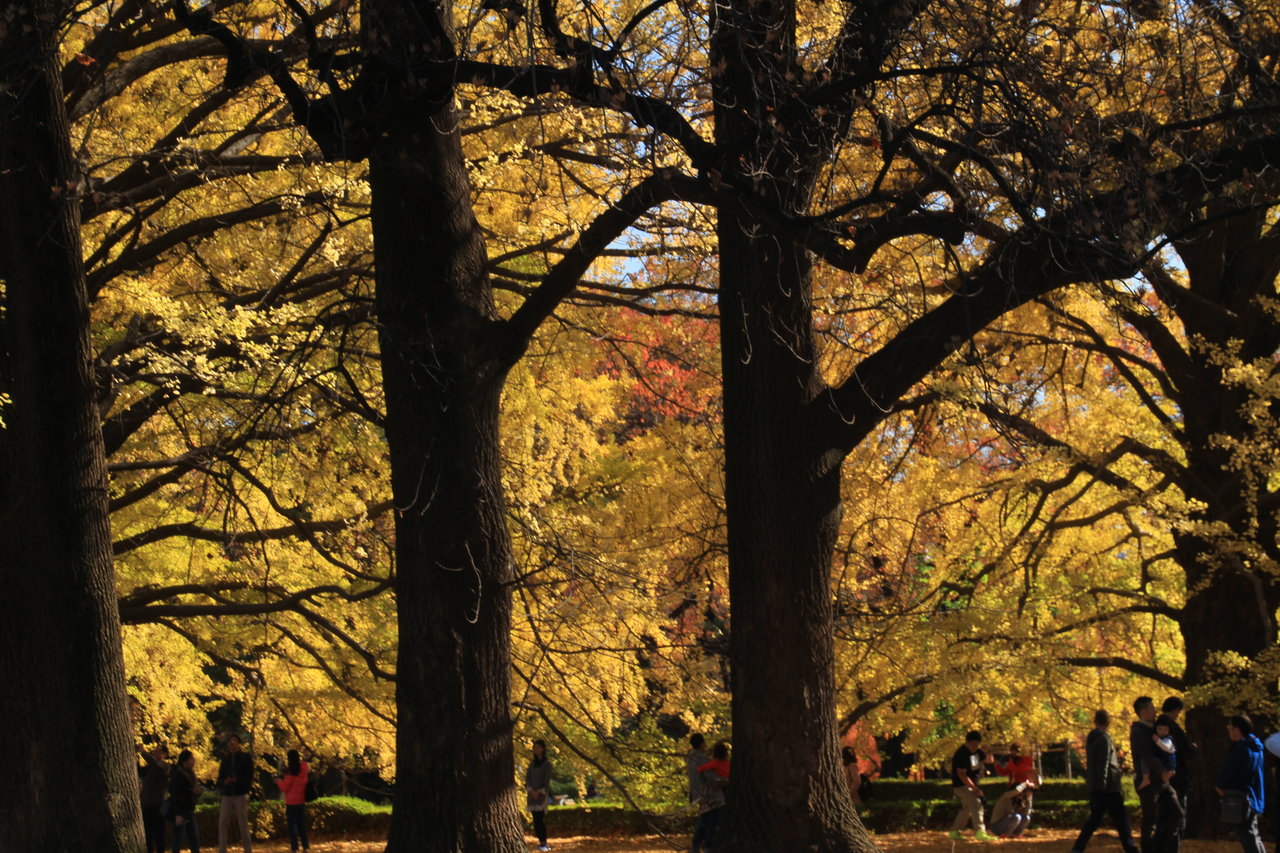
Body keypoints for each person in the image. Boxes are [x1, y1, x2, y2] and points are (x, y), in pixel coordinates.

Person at [1071, 709, 1139, 853]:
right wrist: (1102, 785)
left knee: (1094, 820)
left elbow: (1095, 764)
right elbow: (1104, 763)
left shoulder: (1092, 738)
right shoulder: (1104, 739)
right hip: (1108, 787)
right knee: (1120, 819)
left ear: (1095, 721)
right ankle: (1130, 848)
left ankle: (1078, 847)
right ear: (1109, 722)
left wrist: (1095, 786)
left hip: (1097, 786)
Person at [1216, 714, 1266, 853]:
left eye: (1230, 728)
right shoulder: (1256, 748)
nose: (1229, 730)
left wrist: (1220, 785)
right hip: (1253, 796)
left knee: (1247, 835)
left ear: (1237, 730)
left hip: (1240, 797)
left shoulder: (1241, 749)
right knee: (1253, 834)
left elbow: (1229, 771)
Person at [948, 730, 997, 842]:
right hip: (962, 786)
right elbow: (962, 774)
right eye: (972, 744)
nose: (974, 747)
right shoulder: (962, 754)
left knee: (967, 809)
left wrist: (988, 750)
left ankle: (954, 831)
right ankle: (980, 832)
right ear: (967, 742)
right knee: (976, 805)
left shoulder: (977, 752)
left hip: (971, 785)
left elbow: (989, 760)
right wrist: (974, 788)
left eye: (977, 744)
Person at [1162, 697, 1197, 837]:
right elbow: (1185, 751)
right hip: (1178, 776)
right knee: (1178, 817)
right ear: (1176, 710)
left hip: (1164, 777)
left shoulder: (1157, 726)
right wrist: (1193, 748)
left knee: (1166, 816)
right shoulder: (1173, 728)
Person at [1130, 696, 1160, 853]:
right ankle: (1148, 848)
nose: (1155, 711)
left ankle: (1155, 846)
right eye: (1151, 709)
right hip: (1147, 780)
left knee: (1173, 813)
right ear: (1142, 713)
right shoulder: (1139, 732)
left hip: (1157, 778)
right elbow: (1146, 755)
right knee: (1150, 816)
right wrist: (1163, 770)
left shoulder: (1153, 729)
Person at [217, 734, 254, 853]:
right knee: (222, 822)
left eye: (234, 740)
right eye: (230, 740)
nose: (231, 743)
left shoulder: (245, 757)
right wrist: (225, 782)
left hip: (240, 794)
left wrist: (237, 780)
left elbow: (249, 776)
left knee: (243, 823)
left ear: (239, 743)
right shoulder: (225, 758)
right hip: (227, 794)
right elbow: (220, 777)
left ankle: (247, 849)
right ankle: (222, 849)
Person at [692, 741, 730, 853]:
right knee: (713, 823)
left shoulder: (711, 763)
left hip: (705, 796)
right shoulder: (727, 763)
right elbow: (714, 778)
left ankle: (697, 845)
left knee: (705, 822)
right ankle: (707, 847)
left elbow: (702, 770)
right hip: (715, 798)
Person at [274, 749, 310, 853]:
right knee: (302, 825)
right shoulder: (303, 770)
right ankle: (305, 847)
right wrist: (304, 757)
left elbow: (284, 788)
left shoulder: (290, 773)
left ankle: (294, 848)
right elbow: (305, 764)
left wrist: (278, 781)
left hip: (291, 803)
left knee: (292, 827)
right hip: (301, 801)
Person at [139, 745, 171, 853]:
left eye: (159, 752)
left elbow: (155, 765)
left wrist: (143, 752)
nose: (155, 753)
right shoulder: (150, 767)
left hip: (158, 805)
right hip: (147, 804)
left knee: (159, 835)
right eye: (154, 751)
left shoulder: (164, 766)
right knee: (148, 834)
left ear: (165, 755)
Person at [169, 749, 203, 853]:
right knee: (179, 838)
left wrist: (197, 792)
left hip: (189, 809)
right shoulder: (178, 775)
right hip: (181, 811)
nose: (193, 761)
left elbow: (195, 790)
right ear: (185, 761)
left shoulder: (191, 774)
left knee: (194, 838)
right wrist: (177, 814)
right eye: (191, 759)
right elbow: (175, 794)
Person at [526, 739, 552, 852]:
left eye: (538, 747)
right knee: (535, 820)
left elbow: (546, 779)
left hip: (541, 795)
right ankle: (540, 841)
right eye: (534, 748)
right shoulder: (532, 764)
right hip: (532, 795)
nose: (535, 750)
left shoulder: (547, 764)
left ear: (543, 749)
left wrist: (539, 791)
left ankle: (544, 842)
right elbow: (528, 777)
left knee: (540, 819)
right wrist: (531, 790)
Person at [686, 733, 709, 805]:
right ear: (702, 744)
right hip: (704, 794)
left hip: (694, 793)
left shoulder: (690, 757)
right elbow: (710, 775)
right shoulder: (702, 758)